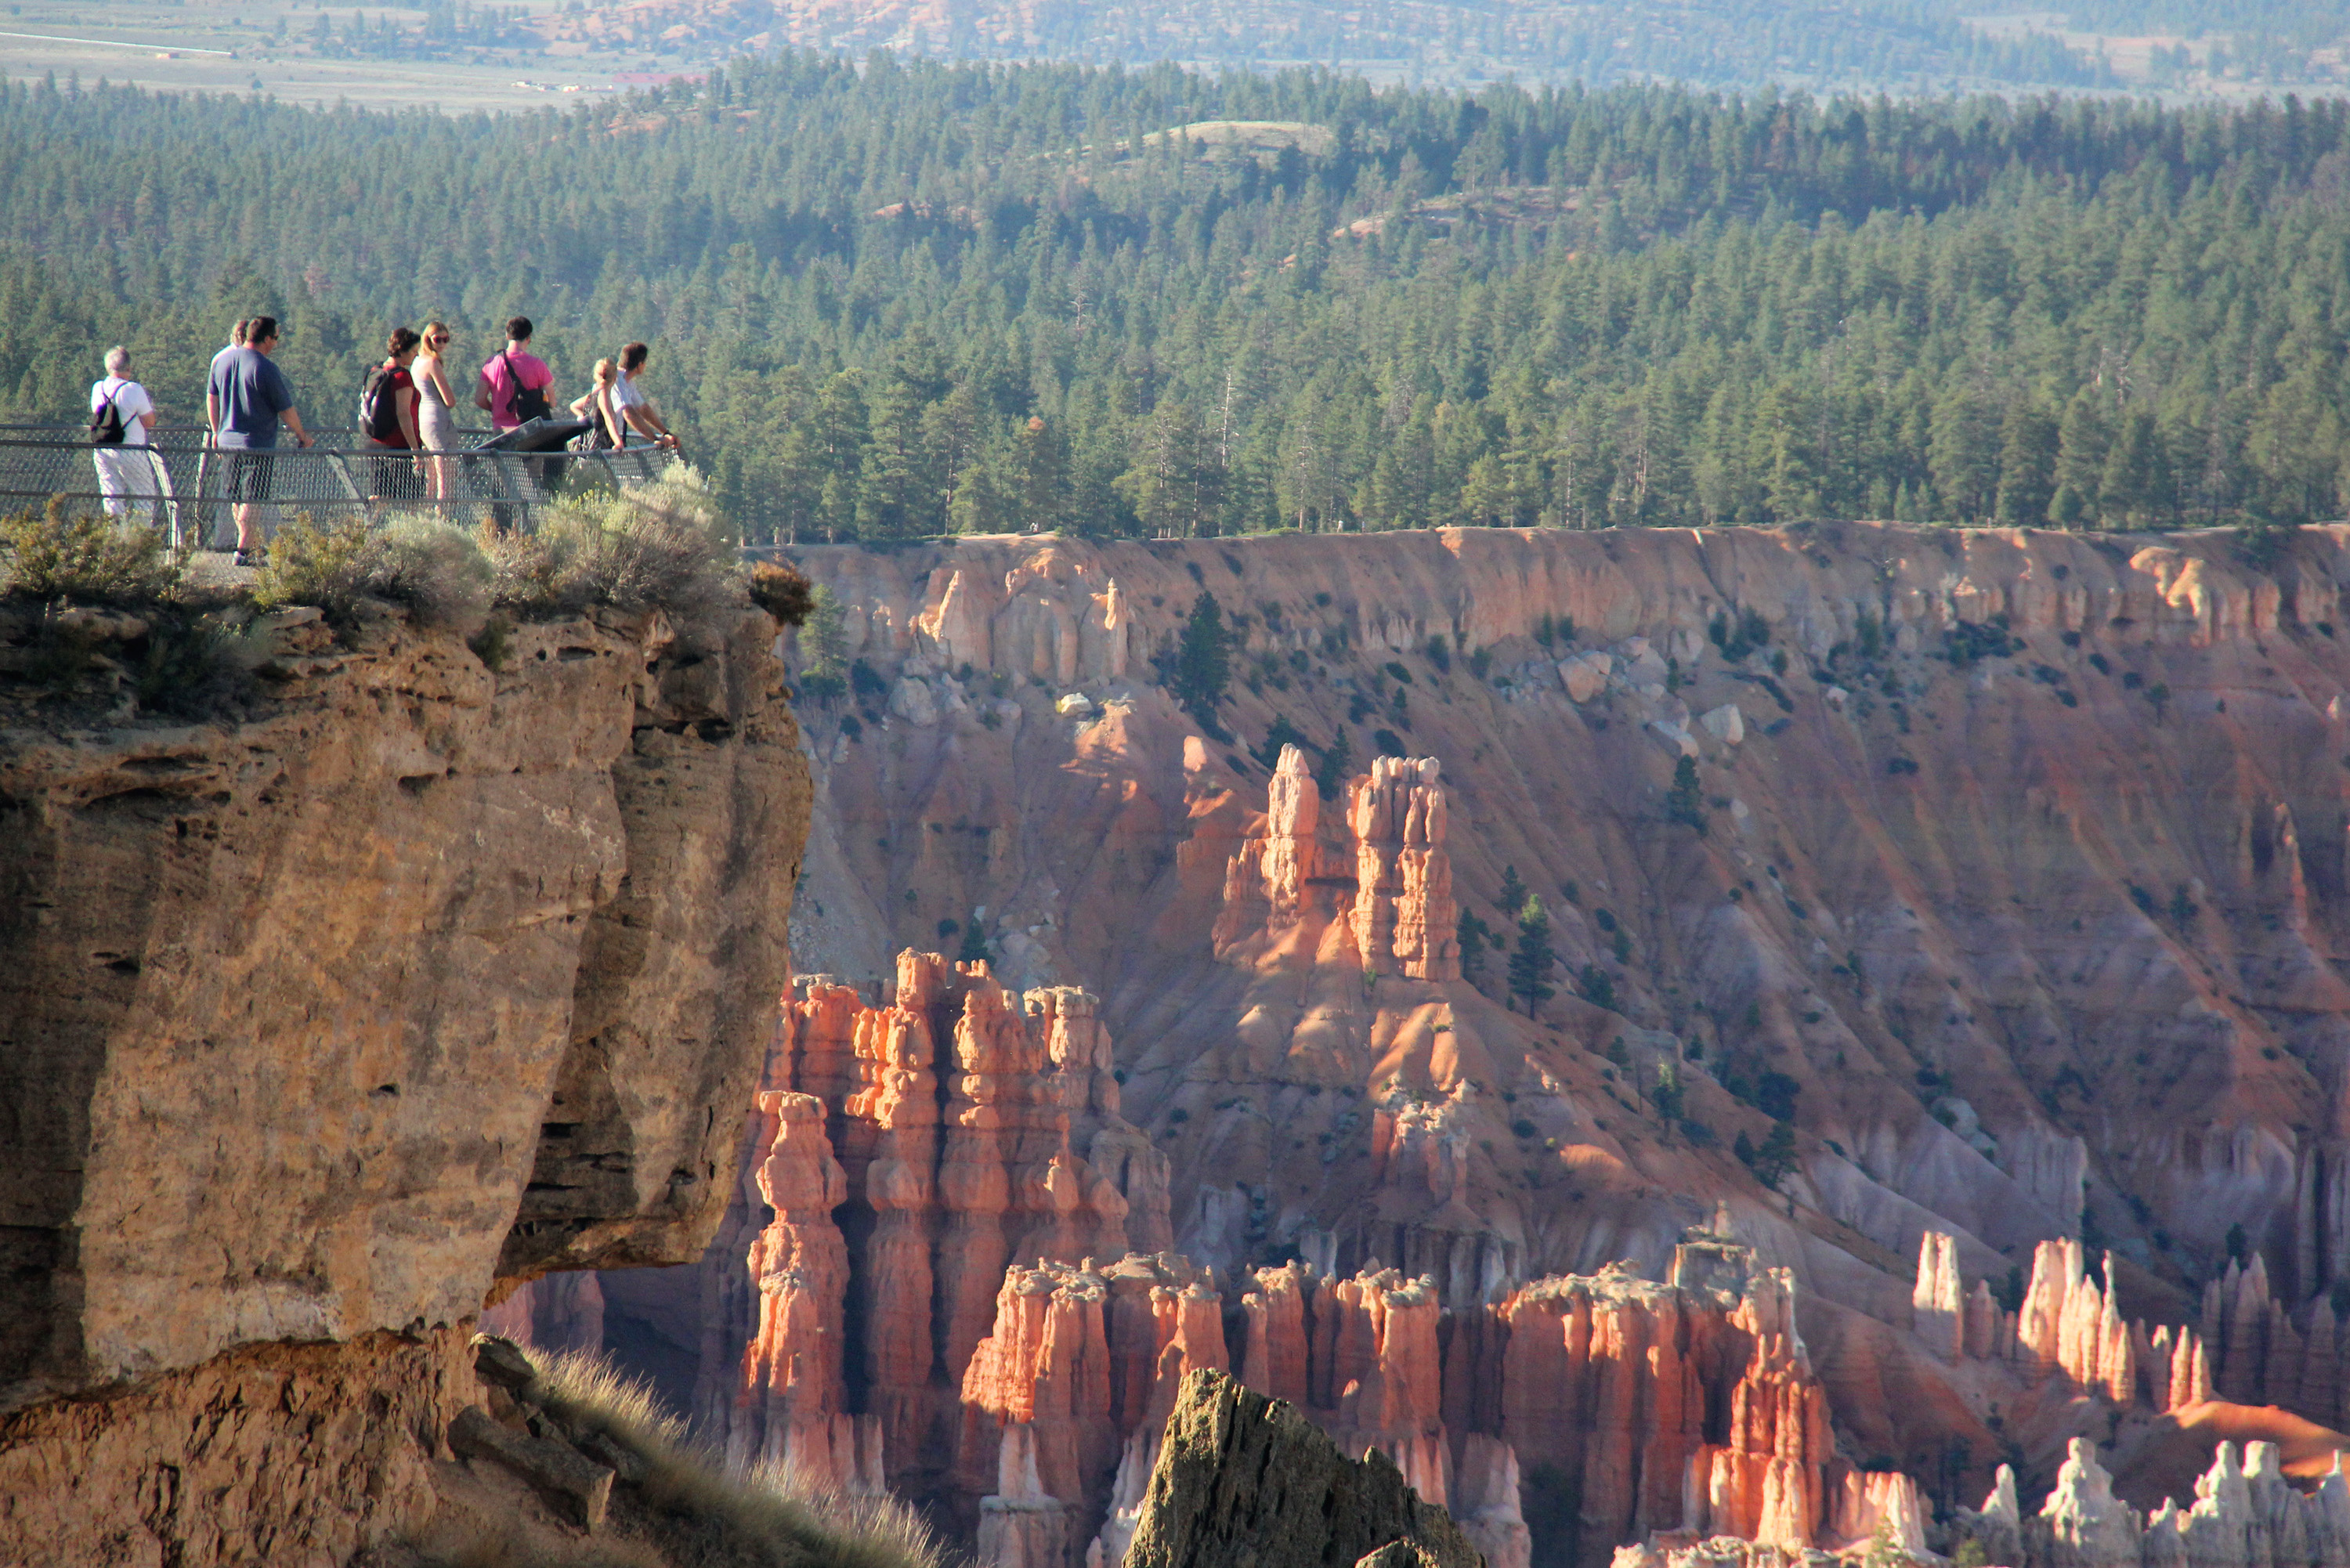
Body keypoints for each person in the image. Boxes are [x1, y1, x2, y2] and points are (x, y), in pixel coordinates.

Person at [205, 314, 313, 567]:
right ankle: (243, 551)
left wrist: (216, 432)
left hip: (227, 441)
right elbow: (286, 409)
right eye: (275, 338)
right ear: (266, 339)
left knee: (236, 496)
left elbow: (212, 397)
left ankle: (248, 546)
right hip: (257, 443)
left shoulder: (221, 362)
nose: (276, 344)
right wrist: (302, 436)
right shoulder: (264, 367)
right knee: (254, 498)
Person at [88, 345, 161, 526]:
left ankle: (115, 538)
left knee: (112, 496)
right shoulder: (134, 389)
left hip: (103, 449)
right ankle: (139, 538)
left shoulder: (98, 388)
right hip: (131, 449)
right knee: (144, 494)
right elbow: (149, 421)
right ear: (128, 367)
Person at [361, 327, 423, 506]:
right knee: (412, 499)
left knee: (380, 496)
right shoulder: (402, 377)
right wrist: (415, 450)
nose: (415, 355)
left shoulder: (377, 370)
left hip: (374, 443)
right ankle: (413, 531)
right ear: (402, 351)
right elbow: (403, 414)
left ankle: (371, 528)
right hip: (398, 447)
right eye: (413, 351)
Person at [475, 315, 554, 432]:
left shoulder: (491, 363)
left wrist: (497, 410)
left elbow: (480, 399)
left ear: (507, 335)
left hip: (501, 430)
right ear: (529, 337)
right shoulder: (537, 364)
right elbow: (552, 402)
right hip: (531, 430)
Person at [414, 320, 460, 502]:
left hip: (424, 419)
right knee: (445, 482)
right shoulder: (433, 363)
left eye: (445, 340)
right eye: (437, 339)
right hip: (439, 420)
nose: (441, 344)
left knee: (431, 481)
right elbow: (450, 400)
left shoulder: (417, 362)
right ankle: (443, 522)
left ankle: (428, 518)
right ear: (427, 339)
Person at [612, 341, 680, 452]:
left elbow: (643, 408)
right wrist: (655, 439)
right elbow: (629, 414)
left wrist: (666, 432)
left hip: (609, 444)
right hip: (594, 447)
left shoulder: (627, 382)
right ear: (640, 365)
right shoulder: (616, 380)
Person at [568, 357, 623, 450]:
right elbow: (609, 420)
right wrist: (618, 442)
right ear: (615, 377)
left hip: (586, 448)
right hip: (596, 450)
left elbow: (574, 406)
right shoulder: (603, 395)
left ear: (595, 376)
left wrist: (586, 418)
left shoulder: (593, 395)